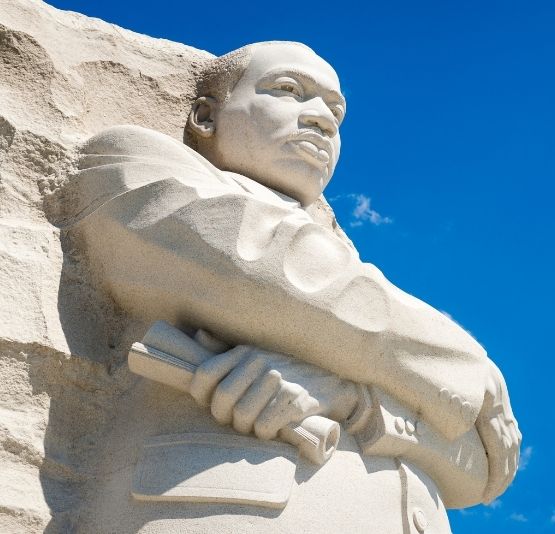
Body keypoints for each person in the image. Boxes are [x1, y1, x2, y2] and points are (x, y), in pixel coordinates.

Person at [66, 41, 520, 533]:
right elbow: (275, 275)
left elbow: (488, 469)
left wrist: (351, 399)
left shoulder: (360, 276)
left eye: (336, 113)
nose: (322, 120)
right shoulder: (130, 161)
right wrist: (473, 367)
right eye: (289, 91)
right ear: (204, 116)